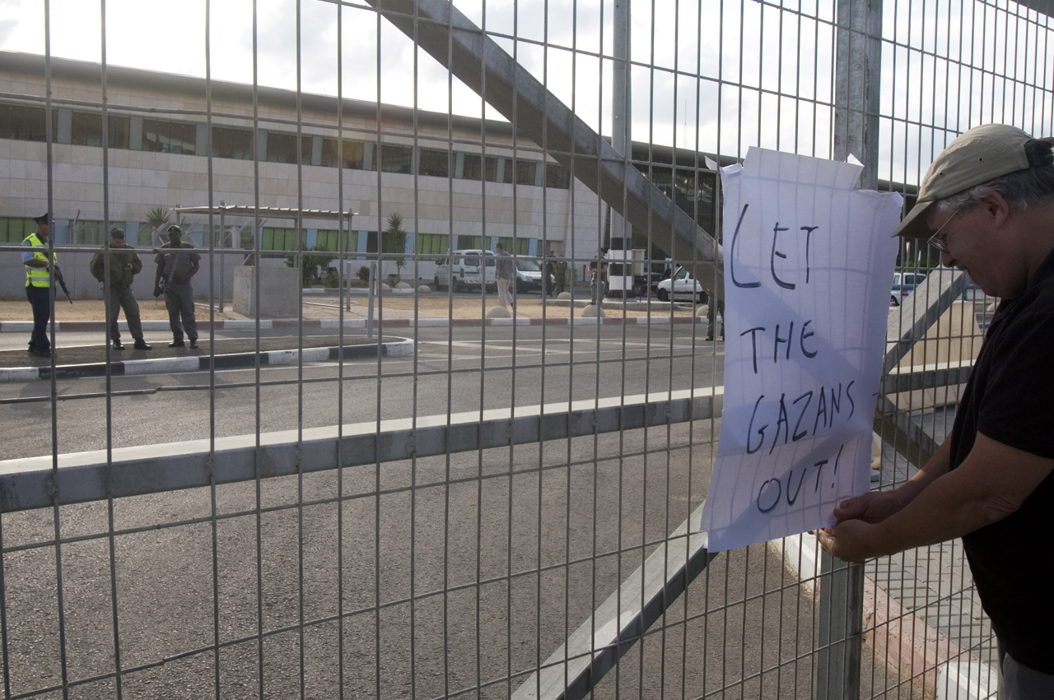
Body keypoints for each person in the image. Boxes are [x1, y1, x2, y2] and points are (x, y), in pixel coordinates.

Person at [817, 124, 1054, 695]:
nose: (944, 260)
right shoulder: (1027, 292)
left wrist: (874, 542)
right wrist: (903, 495)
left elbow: (988, 491)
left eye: (943, 237)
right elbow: (988, 430)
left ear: (994, 207)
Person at [90, 227, 151, 350]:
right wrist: (104, 277)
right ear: (111, 240)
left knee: (133, 312)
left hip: (125, 287)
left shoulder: (129, 250)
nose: (120, 244)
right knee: (112, 315)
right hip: (111, 288)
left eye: (122, 242)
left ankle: (138, 339)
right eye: (118, 242)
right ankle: (116, 340)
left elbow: (138, 265)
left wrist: (132, 267)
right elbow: (93, 267)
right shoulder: (103, 251)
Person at [153, 225, 200, 349]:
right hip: (170, 285)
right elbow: (160, 267)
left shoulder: (188, 248)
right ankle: (178, 339)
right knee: (173, 313)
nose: (172, 237)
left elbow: (196, 265)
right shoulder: (164, 249)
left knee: (188, 312)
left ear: (180, 235)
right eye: (170, 235)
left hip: (184, 285)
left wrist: (187, 277)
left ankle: (193, 338)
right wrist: (156, 285)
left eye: (175, 234)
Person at [22, 213, 59, 358]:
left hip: (49, 286)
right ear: (40, 225)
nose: (51, 227)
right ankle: (43, 347)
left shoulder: (48, 242)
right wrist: (46, 264)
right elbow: (26, 259)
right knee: (41, 317)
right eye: (49, 224)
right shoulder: (29, 241)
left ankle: (33, 345)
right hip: (36, 287)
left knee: (43, 317)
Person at [493, 242, 515, 310]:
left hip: (502, 276)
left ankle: (503, 307)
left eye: (496, 248)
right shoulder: (508, 255)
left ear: (498, 248)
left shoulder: (499, 255)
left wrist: (498, 274)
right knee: (506, 290)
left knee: (501, 292)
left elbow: (498, 266)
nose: (495, 249)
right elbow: (512, 266)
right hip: (509, 276)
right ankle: (512, 302)